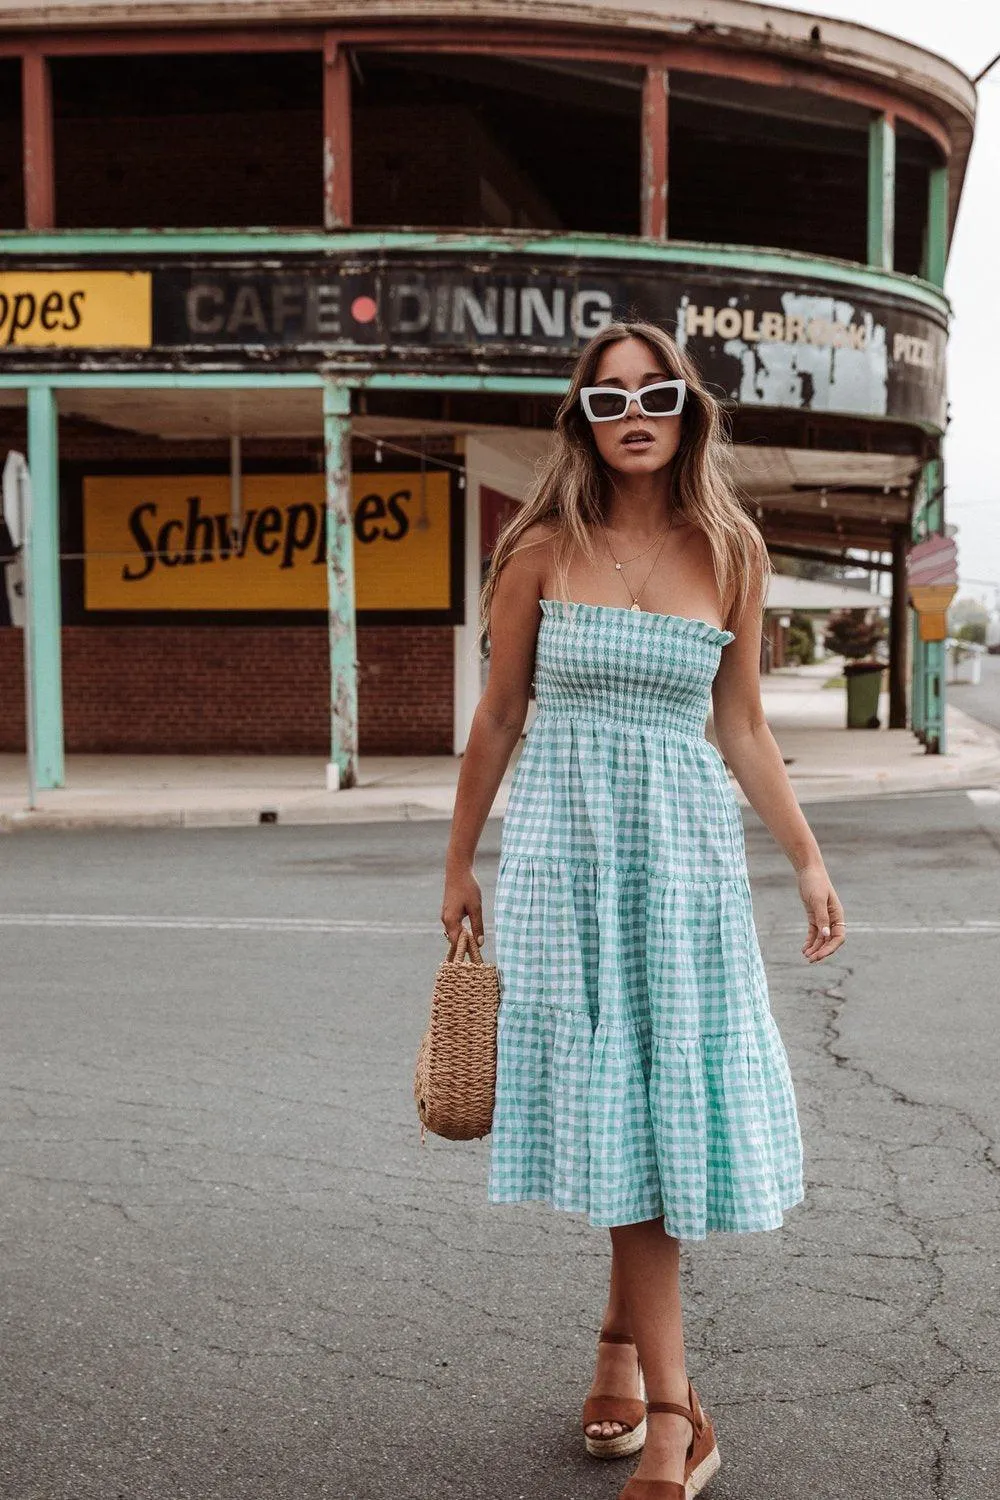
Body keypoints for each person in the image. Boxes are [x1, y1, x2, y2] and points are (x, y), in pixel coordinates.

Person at [441, 319, 845, 1500]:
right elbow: (501, 716)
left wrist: (810, 864)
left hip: (682, 872)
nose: (633, 414)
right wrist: (458, 863)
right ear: (579, 418)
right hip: (568, 866)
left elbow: (744, 727)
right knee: (623, 1114)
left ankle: (647, 1385)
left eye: (654, 393)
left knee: (659, 1122)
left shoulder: (729, 550)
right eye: (608, 398)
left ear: (686, 411)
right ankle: (663, 1397)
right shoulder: (538, 550)